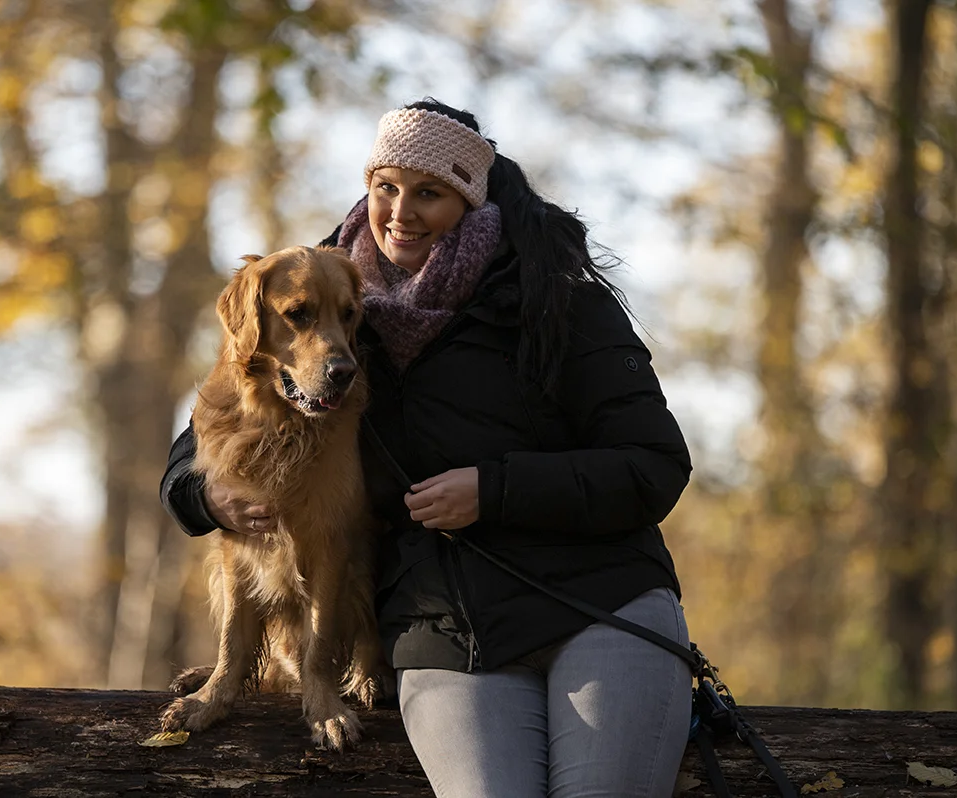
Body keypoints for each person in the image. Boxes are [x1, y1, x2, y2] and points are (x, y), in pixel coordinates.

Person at [161, 99, 693, 798]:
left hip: (600, 607)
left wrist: (494, 490)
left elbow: (654, 466)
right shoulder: (332, 301)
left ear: (470, 200)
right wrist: (203, 495)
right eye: (386, 187)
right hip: (444, 636)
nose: (399, 213)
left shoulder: (555, 301)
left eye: (429, 193)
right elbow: (213, 427)